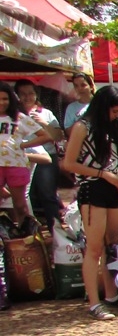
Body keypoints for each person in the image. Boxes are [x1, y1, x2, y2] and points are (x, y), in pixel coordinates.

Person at [60, 86, 118, 321]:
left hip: (113, 189)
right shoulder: (83, 126)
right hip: (93, 189)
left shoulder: (113, 127)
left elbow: (116, 158)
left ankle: (112, 294)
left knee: (112, 243)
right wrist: (103, 174)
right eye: (114, 111)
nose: (117, 116)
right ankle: (94, 302)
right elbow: (69, 164)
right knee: (94, 248)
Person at [0, 82, 52, 230]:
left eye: (5, 99)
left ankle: (25, 234)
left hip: (16, 165)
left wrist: (23, 145)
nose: (2, 102)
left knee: (20, 205)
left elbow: (45, 136)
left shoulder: (19, 117)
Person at [15, 79, 64, 230]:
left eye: (30, 93)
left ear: (36, 95)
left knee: (48, 195)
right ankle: (27, 230)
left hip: (46, 158)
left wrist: (43, 123)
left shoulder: (46, 113)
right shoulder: (13, 115)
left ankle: (55, 230)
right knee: (23, 196)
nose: (27, 97)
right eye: (23, 94)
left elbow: (59, 136)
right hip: (21, 159)